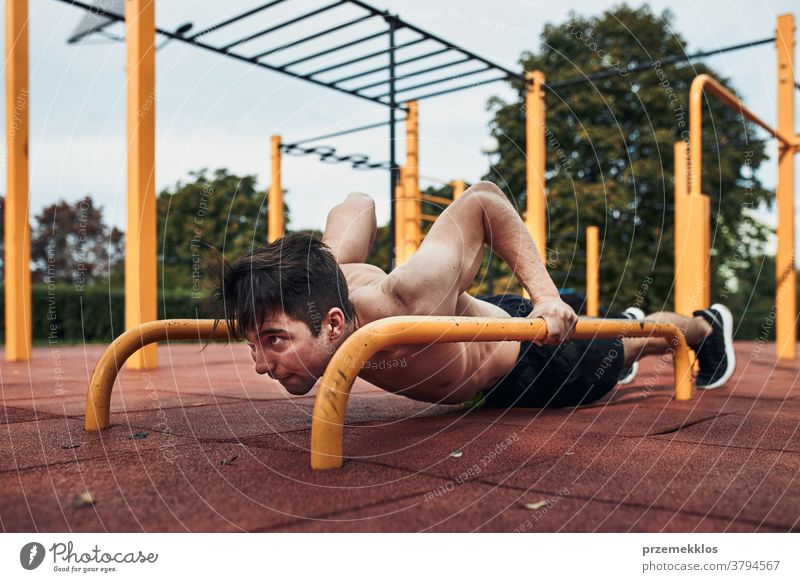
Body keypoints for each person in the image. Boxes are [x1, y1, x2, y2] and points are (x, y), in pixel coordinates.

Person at [210, 181, 735, 408]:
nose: (260, 364)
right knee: (617, 336)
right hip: (474, 342)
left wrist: (548, 299)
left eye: (274, 341)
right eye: (254, 344)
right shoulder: (330, 278)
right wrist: (317, 256)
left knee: (634, 338)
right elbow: (360, 201)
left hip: (529, 363)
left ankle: (705, 325)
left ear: (332, 324)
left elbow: (482, 200)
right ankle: (620, 325)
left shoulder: (404, 301)